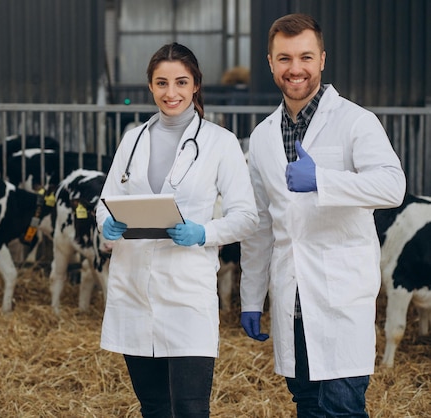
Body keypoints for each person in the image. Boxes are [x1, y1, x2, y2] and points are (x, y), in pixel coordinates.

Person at [239, 13, 406, 417]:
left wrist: (323, 180)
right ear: (270, 62)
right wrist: (250, 295)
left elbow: (392, 186)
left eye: (305, 57)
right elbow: (262, 224)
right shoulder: (262, 136)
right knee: (308, 404)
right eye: (284, 58)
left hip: (340, 296)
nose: (295, 69)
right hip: (290, 296)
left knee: (341, 408)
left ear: (322, 60)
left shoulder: (355, 121)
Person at [96, 42, 258, 418]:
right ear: (150, 87)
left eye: (181, 82)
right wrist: (107, 224)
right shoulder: (132, 140)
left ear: (196, 85)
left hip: (187, 294)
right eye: (162, 83)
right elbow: (106, 203)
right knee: (152, 406)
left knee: (189, 407)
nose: (171, 93)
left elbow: (247, 216)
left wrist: (204, 233)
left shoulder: (220, 142)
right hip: (134, 291)